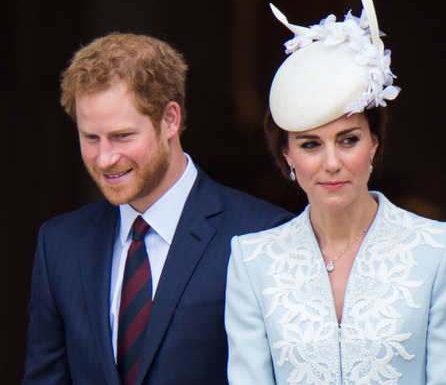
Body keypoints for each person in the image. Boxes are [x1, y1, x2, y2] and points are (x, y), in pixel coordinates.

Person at [224, 0, 446, 384]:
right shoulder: (253, 261)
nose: (331, 162)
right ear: (287, 155)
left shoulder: (440, 249)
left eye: (348, 140)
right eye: (310, 144)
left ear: (374, 144)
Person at [23, 32, 292, 385]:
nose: (105, 158)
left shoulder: (262, 233)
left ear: (170, 120)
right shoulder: (58, 244)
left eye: (122, 136)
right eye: (91, 138)